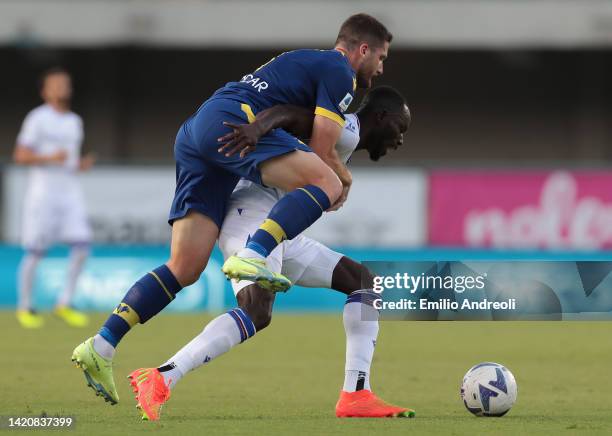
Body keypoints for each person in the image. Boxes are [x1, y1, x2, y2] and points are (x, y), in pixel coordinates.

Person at [72, 13, 392, 406]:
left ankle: (102, 344)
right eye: (380, 58)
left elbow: (286, 114)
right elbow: (324, 151)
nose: (379, 68)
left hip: (198, 131)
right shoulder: (339, 72)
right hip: (229, 123)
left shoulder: (305, 63)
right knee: (323, 182)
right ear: (363, 49)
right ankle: (255, 253)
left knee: (184, 268)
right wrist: (344, 179)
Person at [127, 86, 413, 420]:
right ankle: (162, 376)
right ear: (381, 117)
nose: (401, 139)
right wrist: (257, 127)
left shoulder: (339, 136)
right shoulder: (346, 129)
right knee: (256, 311)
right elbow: (290, 113)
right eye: (400, 127)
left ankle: (356, 394)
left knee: (365, 283)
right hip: (251, 221)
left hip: (281, 233)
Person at [13, 67, 94, 329]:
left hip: (69, 191)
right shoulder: (37, 119)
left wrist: (79, 164)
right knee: (36, 250)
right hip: (43, 192)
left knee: (82, 245)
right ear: (45, 90)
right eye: (57, 83)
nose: (63, 87)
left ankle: (64, 302)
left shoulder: (74, 121)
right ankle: (25, 306)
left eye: (66, 83)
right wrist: (50, 158)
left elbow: (67, 160)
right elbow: (20, 155)